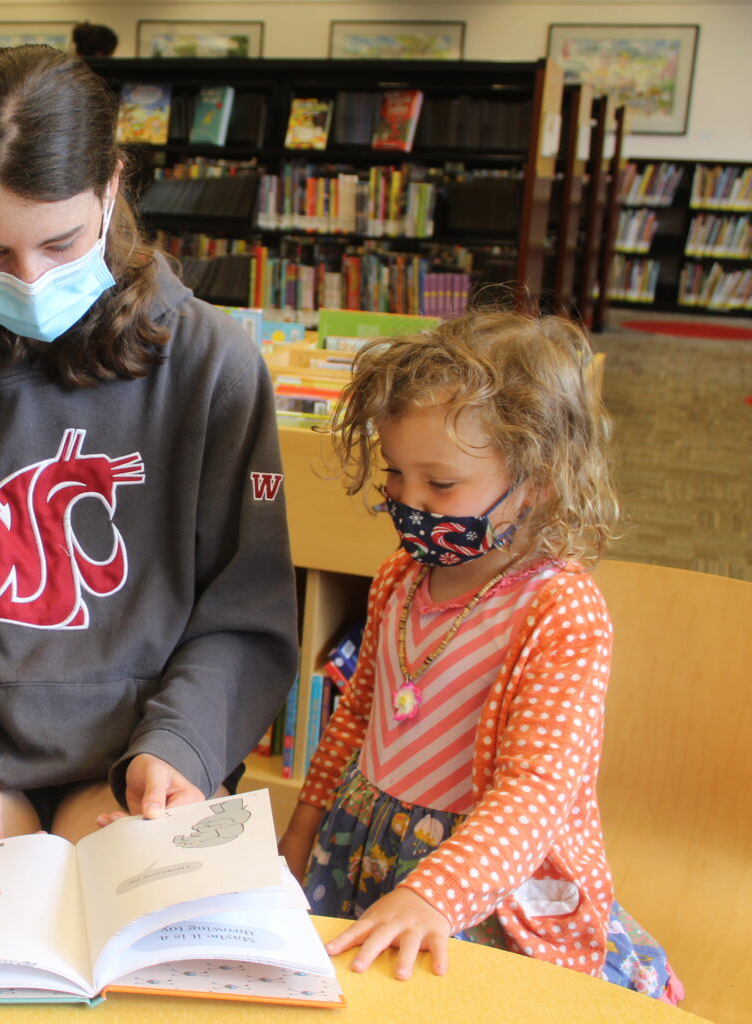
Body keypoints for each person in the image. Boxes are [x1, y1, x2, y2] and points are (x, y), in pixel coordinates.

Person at [0, 44, 297, 959]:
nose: (29, 283)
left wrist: (177, 748)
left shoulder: (215, 367)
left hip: (142, 755)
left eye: (61, 244)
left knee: (157, 964)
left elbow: (247, 614)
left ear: (113, 186)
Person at [277, 310, 680, 1002]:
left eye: (440, 485)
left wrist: (436, 895)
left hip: (486, 881)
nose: (408, 501)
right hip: (363, 846)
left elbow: (537, 791)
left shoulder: (559, 611)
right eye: (397, 474)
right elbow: (356, 719)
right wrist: (303, 826)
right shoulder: (398, 580)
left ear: (539, 479)